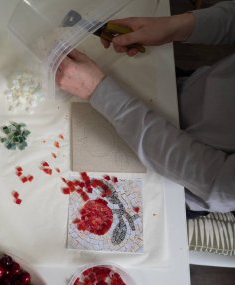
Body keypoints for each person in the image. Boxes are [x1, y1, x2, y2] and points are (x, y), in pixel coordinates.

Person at [56, 1, 235, 213]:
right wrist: (175, 27)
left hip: (175, 182)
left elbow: (216, 181)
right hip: (186, 90)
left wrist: (98, 91)